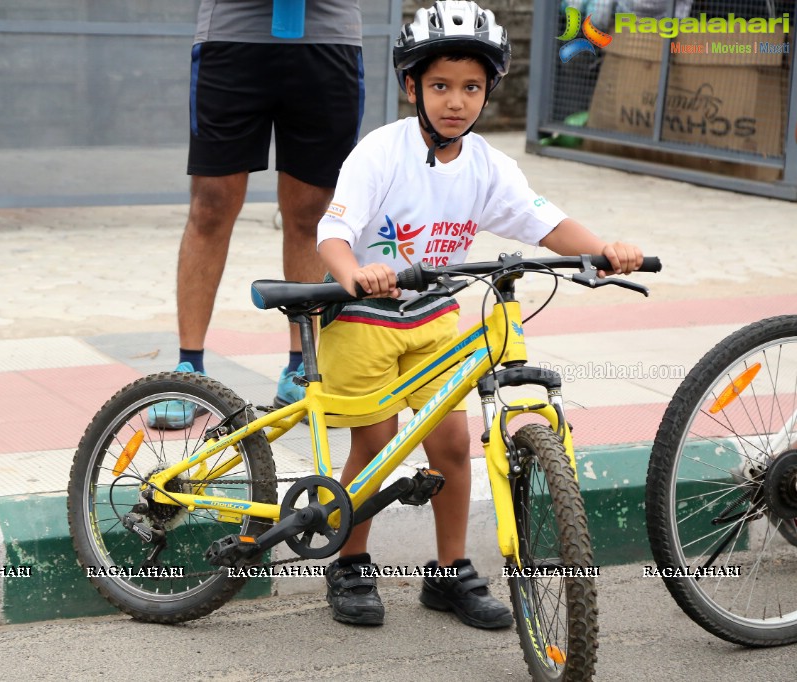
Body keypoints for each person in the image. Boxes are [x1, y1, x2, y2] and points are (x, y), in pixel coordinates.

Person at [316, 1, 643, 627]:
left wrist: (603, 248)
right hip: (362, 317)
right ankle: (351, 561)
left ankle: (449, 573)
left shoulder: (487, 164)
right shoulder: (379, 153)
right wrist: (354, 272)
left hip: (434, 318)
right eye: (440, 86)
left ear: (489, 90)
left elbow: (544, 222)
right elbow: (333, 233)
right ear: (412, 86)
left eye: (471, 87)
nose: (455, 102)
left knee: (452, 446)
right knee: (377, 443)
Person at [148, 0, 365, 429]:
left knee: (309, 212)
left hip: (327, 38)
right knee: (211, 204)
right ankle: (189, 369)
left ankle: (300, 368)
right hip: (232, 35)